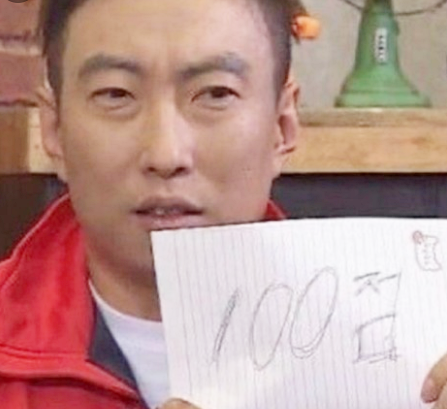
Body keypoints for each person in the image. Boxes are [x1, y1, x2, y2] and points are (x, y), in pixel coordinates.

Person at [0, 0, 444, 408]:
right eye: (116, 94)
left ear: (282, 125)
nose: (166, 154)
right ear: (54, 128)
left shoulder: (416, 349)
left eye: (215, 94)